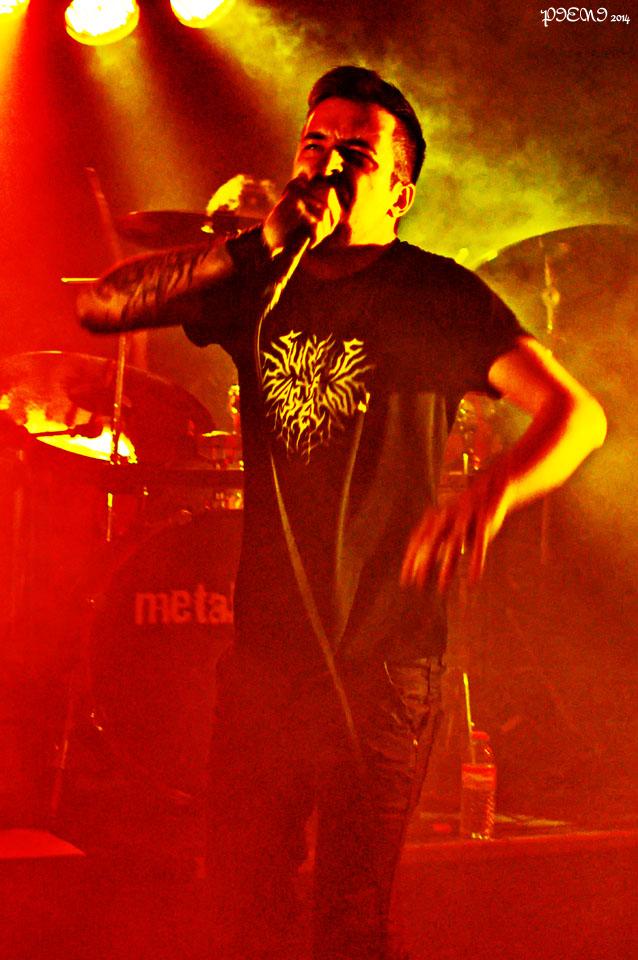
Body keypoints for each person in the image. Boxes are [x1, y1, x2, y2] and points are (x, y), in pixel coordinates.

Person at [78, 65, 606, 960]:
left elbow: (577, 415)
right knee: (240, 907)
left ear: (399, 190)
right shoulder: (260, 280)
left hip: (385, 658)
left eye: (354, 153)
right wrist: (258, 246)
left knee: (350, 917)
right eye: (313, 144)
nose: (325, 164)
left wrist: (489, 494)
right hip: (265, 660)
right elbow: (101, 305)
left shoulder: (437, 295)